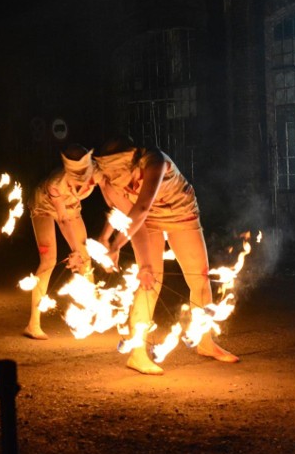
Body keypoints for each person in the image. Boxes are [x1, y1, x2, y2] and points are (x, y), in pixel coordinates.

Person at [94, 136, 239, 375]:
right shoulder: (109, 179)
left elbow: (140, 208)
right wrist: (109, 240)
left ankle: (205, 342)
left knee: (199, 277)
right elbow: (128, 215)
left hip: (181, 212)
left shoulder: (154, 161)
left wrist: (117, 243)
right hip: (146, 221)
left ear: (133, 158)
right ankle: (137, 354)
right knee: (149, 278)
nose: (117, 179)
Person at [24, 143, 98, 340]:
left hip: (71, 206)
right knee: (49, 261)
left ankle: (90, 313)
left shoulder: (96, 172)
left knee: (85, 257)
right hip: (43, 207)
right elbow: (63, 219)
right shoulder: (56, 184)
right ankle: (33, 324)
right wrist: (74, 251)